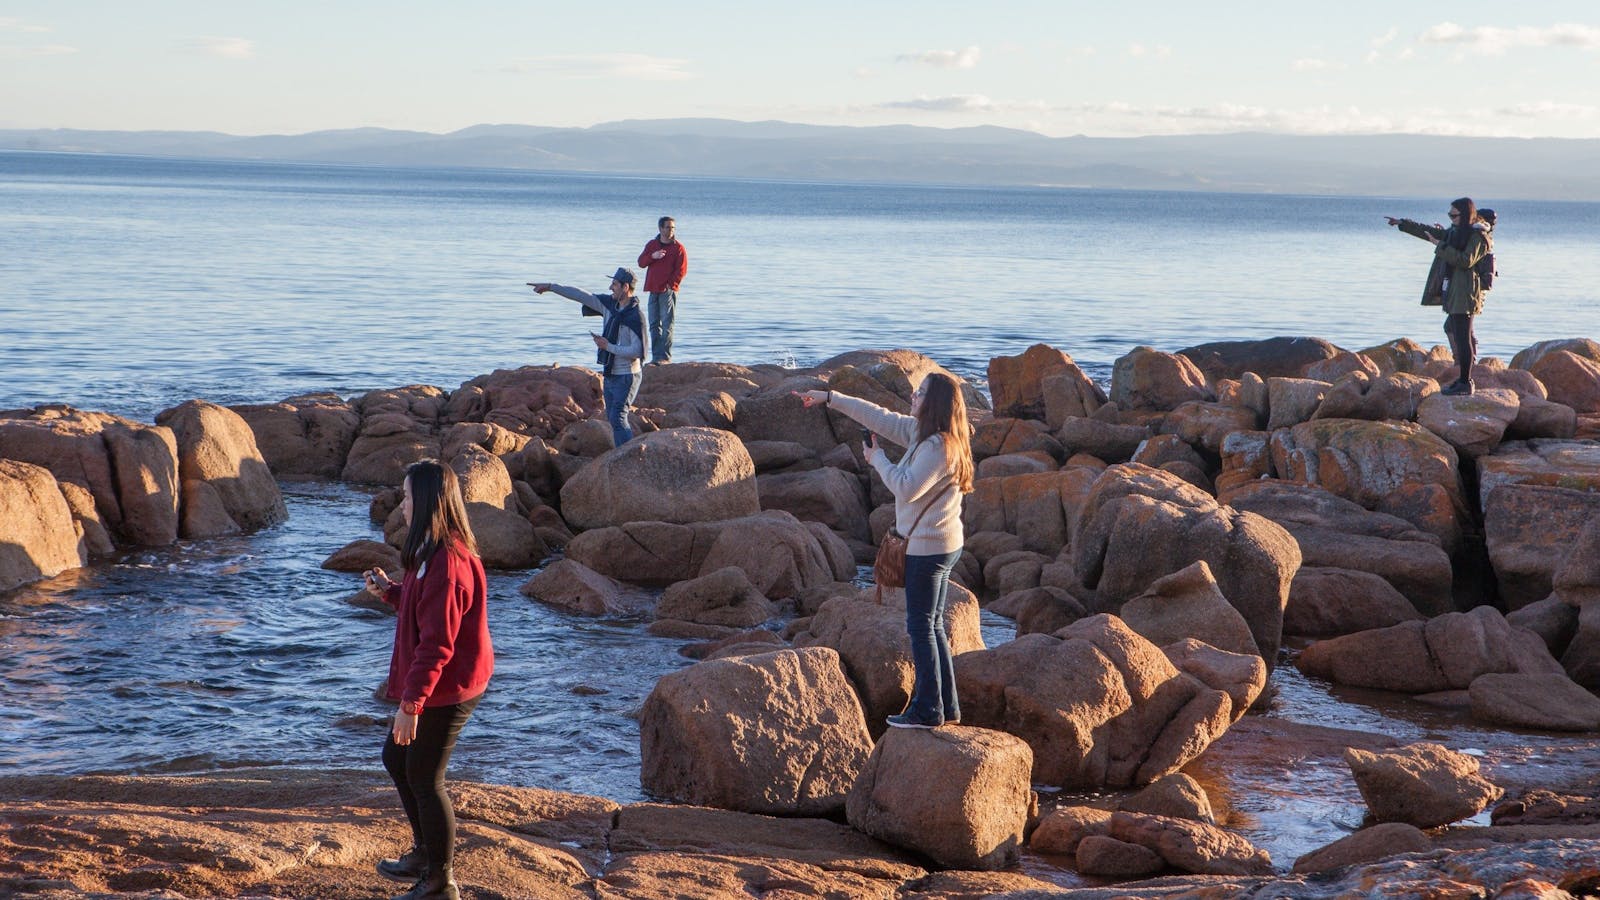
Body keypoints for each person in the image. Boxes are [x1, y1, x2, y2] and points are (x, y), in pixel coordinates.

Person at [797, 373, 974, 729]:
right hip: (940, 543)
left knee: (921, 626)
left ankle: (927, 710)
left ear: (935, 402)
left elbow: (906, 489)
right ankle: (947, 706)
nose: (913, 395)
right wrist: (829, 397)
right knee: (934, 624)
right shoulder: (922, 434)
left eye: (920, 392)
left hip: (929, 548)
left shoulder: (938, 446)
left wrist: (877, 458)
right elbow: (877, 416)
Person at [363, 460, 493, 900]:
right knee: (397, 760)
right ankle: (424, 854)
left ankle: (441, 880)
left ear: (426, 503)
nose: (401, 505)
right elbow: (425, 610)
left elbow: (438, 644)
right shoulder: (432, 554)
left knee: (424, 776)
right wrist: (390, 593)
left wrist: (410, 705)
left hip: (450, 687)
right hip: (441, 681)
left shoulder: (449, 562)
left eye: (406, 497)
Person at [1385, 197, 1492, 396]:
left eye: (1454, 215)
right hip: (1453, 292)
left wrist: (1440, 246)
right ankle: (1462, 379)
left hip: (1466, 294)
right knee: (1457, 333)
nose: (1451, 219)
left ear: (1466, 214)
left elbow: (1465, 260)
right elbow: (1431, 233)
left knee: (1463, 337)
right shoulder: (1456, 233)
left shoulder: (1479, 237)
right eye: (1449, 215)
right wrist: (1403, 224)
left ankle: (1466, 382)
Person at [528, 268, 647, 445]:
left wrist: (608, 346)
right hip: (610, 373)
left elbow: (637, 351)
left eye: (614, 284)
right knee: (614, 418)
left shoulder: (635, 317)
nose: (610, 287)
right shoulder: (609, 305)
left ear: (625, 287)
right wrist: (552, 287)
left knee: (618, 418)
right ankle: (623, 453)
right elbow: (580, 295)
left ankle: (628, 455)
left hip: (627, 376)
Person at [638, 216, 687, 365]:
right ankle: (656, 357)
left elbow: (682, 270)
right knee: (653, 324)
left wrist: (670, 285)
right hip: (653, 289)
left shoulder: (678, 248)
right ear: (660, 228)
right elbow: (641, 262)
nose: (670, 230)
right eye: (667, 227)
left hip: (668, 291)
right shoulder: (652, 245)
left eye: (673, 228)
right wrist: (653, 256)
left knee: (667, 323)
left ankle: (664, 357)